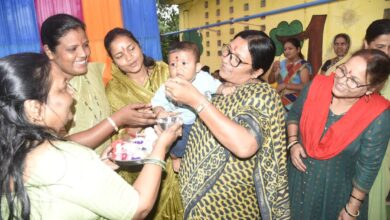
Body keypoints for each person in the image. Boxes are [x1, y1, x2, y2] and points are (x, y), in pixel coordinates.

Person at [0, 53, 182, 219]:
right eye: (63, 88)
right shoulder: (65, 158)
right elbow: (138, 208)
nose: (72, 93)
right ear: (34, 109)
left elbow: (60, 192)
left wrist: (98, 168)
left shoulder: (14, 152)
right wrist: (160, 147)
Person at [165, 30, 290, 219]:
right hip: (198, 205)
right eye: (227, 50)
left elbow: (245, 146)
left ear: (257, 71)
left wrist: (196, 100)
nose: (225, 59)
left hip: (230, 206)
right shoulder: (220, 90)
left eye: (236, 59)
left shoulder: (263, 94)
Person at [287, 49, 390, 220]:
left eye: (353, 81)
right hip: (296, 180)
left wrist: (352, 208)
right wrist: (293, 143)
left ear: (370, 89)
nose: (341, 80)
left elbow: (368, 167)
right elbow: (294, 115)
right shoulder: (317, 86)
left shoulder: (377, 114)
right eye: (342, 70)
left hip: (336, 193)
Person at [41, 14, 156, 155]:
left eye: (85, 45)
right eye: (72, 49)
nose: (84, 54)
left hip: (112, 166)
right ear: (49, 51)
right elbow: (57, 146)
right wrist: (116, 120)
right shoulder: (43, 93)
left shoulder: (93, 71)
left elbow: (131, 69)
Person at [104, 27, 183, 219]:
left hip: (181, 157)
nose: (129, 58)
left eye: (131, 48)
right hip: (141, 166)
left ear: (139, 45)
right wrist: (134, 127)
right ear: (113, 61)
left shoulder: (166, 71)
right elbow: (117, 136)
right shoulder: (114, 90)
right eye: (120, 55)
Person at [152, 41, 235, 172]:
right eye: (173, 64)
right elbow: (157, 102)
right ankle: (175, 157)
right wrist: (160, 112)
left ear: (197, 67)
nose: (178, 68)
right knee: (173, 138)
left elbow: (216, 86)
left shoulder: (204, 78)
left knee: (210, 142)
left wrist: (224, 88)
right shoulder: (169, 85)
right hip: (182, 125)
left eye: (184, 63)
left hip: (204, 121)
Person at [363, 18, 390, 220]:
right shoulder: (352, 75)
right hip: (350, 154)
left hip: (381, 159)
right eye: (380, 47)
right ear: (366, 45)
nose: (387, 53)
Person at [268, 37, 312, 111]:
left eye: (290, 48)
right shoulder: (281, 64)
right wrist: (273, 70)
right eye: (285, 49)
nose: (287, 51)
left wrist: (285, 85)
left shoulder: (303, 66)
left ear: (298, 49)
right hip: (279, 102)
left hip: (295, 103)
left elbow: (306, 87)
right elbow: (271, 81)